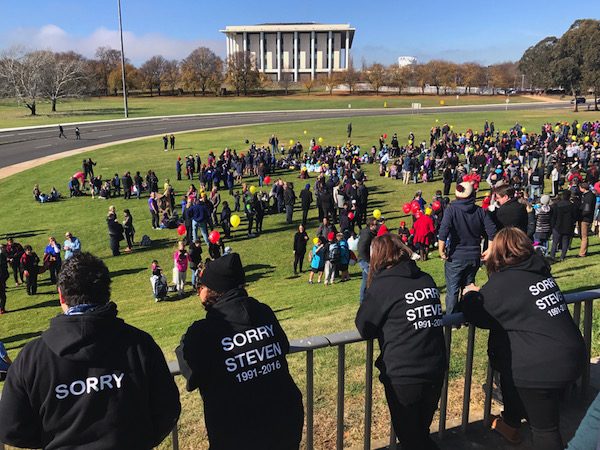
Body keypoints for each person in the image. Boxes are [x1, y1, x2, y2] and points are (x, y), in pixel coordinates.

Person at [0, 252, 181, 448]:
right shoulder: (139, 344)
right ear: (107, 293)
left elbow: (11, 427)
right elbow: (167, 409)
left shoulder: (32, 357)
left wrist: (53, 441)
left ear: (61, 295)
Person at [460, 228, 585, 449]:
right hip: (570, 353)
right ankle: (510, 424)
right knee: (540, 409)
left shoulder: (506, 282)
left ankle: (517, 424)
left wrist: (470, 294)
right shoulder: (539, 271)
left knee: (545, 430)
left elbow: (478, 312)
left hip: (542, 365)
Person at [175, 253, 303, 450]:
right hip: (286, 422)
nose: (199, 291)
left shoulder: (203, 332)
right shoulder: (264, 312)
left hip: (238, 433)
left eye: (201, 287)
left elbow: (189, 367)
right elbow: (282, 346)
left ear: (211, 290)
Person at [355, 233, 446, 450]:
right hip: (434, 367)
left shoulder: (383, 287)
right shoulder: (425, 278)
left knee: (411, 438)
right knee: (420, 431)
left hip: (405, 374)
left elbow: (364, 326)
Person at [437, 182, 497, 313]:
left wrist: (441, 250)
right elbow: (492, 231)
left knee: (453, 290)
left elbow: (443, 231)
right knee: (468, 287)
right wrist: (490, 249)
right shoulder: (479, 211)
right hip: (474, 256)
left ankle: (453, 320)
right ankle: (467, 315)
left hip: (456, 256)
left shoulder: (451, 210)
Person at [550, 190, 578, 262]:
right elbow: (575, 216)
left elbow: (553, 217)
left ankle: (552, 256)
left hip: (557, 226)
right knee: (565, 242)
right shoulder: (572, 206)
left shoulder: (556, 205)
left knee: (555, 242)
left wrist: (553, 226)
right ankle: (562, 256)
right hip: (568, 226)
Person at [357, 219, 378, 303]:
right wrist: (368, 261)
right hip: (365, 260)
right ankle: (365, 300)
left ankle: (365, 300)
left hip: (367, 260)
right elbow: (361, 248)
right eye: (375, 224)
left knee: (366, 280)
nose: (377, 226)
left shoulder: (370, 233)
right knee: (373, 278)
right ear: (371, 226)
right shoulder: (367, 234)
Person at [578, 182, 596, 257]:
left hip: (585, 218)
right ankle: (584, 250)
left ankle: (582, 253)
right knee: (582, 235)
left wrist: (580, 215)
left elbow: (587, 209)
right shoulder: (588, 195)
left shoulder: (589, 197)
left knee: (584, 236)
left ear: (583, 188)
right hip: (585, 217)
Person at [0, 244, 9, 314]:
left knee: (3, 296)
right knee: (3, 296)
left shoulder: (3, 255)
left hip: (2, 278)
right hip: (1, 279)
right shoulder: (1, 256)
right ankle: (1, 309)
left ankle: (2, 309)